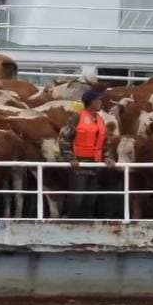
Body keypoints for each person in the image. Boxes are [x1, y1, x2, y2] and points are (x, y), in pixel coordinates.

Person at [58, 87, 114, 219]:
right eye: (98, 100)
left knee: (91, 200)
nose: (101, 102)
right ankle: (69, 221)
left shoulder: (100, 119)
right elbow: (64, 138)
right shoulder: (76, 118)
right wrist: (70, 158)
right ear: (91, 102)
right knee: (76, 199)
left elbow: (104, 142)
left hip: (95, 166)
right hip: (79, 166)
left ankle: (87, 224)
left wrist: (107, 157)